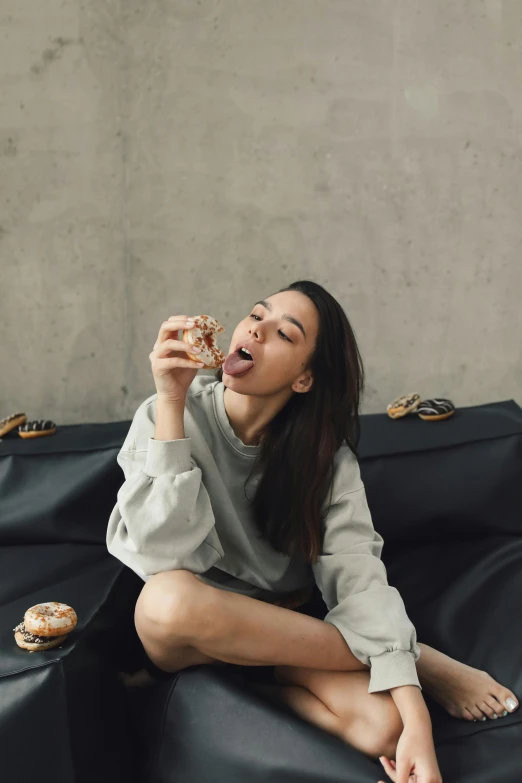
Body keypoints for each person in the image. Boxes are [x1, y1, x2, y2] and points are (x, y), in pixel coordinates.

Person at [108, 280, 518, 783]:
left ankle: (268, 683)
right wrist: (171, 400)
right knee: (168, 599)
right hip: (185, 628)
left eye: (283, 333)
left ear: (304, 379)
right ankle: (412, 657)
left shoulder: (325, 460)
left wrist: (417, 720)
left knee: (383, 729)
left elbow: (359, 574)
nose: (256, 328)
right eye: (256, 314)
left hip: (281, 638)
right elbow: (158, 552)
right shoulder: (165, 413)